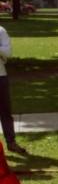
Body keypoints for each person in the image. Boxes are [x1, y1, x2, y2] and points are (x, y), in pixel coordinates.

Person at [0, 24, 28, 155]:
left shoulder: (1, 31)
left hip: (0, 77)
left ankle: (11, 142)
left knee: (5, 112)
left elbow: (8, 52)